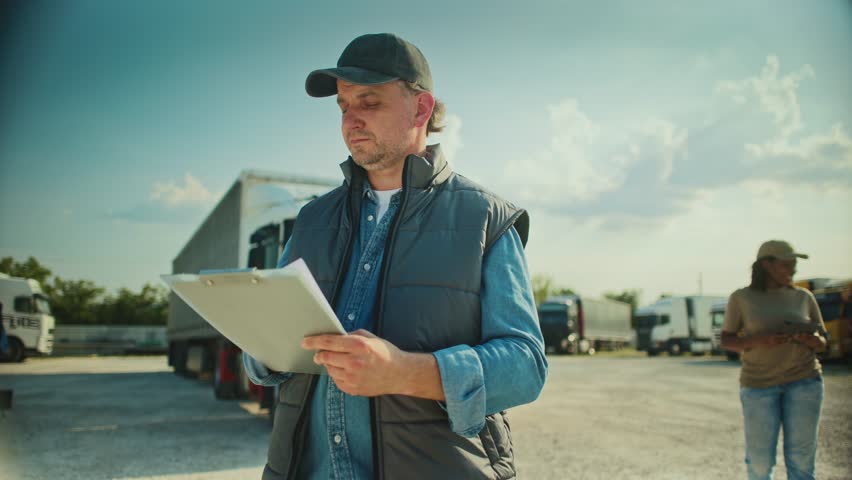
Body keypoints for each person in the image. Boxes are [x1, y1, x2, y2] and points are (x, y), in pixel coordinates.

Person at [244, 33, 547, 480]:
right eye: (344, 106)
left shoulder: (485, 218)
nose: (352, 120)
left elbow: (525, 366)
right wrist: (263, 346)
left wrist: (405, 372)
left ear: (422, 108)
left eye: (369, 102)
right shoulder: (310, 220)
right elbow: (268, 356)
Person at [721, 240, 827, 480]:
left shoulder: (803, 297)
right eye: (787, 263)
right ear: (767, 265)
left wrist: (810, 339)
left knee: (801, 460)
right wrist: (759, 340)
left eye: (795, 264)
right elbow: (726, 340)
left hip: (805, 382)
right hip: (758, 386)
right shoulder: (741, 297)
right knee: (759, 462)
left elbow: (823, 341)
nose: (793, 269)